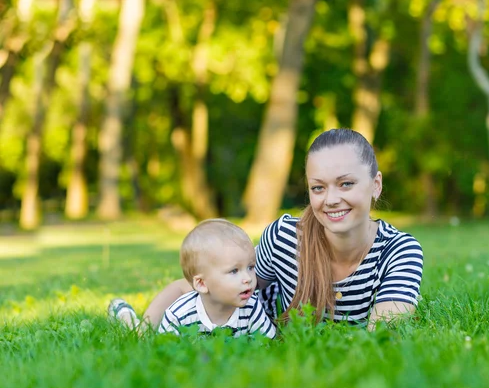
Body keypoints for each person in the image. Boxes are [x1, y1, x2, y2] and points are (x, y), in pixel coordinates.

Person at [142, 128, 423, 327]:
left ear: (376, 184)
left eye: (346, 183)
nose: (331, 200)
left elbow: (384, 332)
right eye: (318, 187)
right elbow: (206, 287)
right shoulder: (285, 237)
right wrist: (143, 331)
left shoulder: (400, 251)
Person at [108, 219, 276, 338]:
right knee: (140, 336)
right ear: (202, 283)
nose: (247, 278)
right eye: (234, 271)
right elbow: (163, 349)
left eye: (250, 267)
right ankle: (124, 314)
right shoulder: (179, 314)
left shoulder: (252, 308)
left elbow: (268, 345)